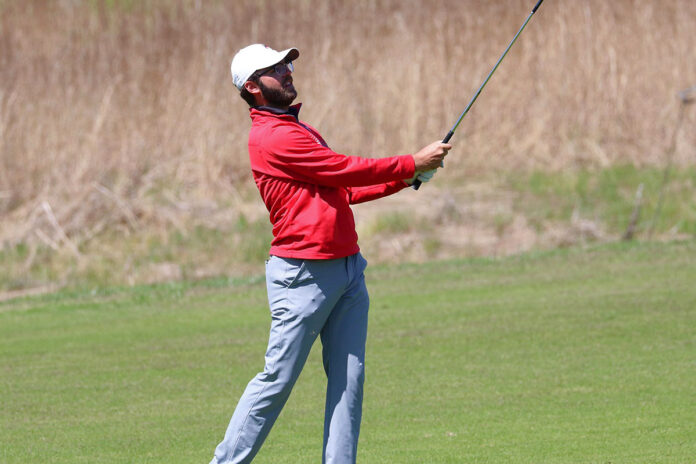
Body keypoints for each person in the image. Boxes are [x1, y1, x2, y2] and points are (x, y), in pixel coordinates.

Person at [210, 44, 451, 464]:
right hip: (303, 276)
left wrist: (409, 177)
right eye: (274, 69)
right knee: (277, 381)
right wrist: (409, 161)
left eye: (286, 64)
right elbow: (344, 168)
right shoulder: (272, 136)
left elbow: (344, 189)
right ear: (252, 87)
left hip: (348, 272)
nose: (286, 72)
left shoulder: (298, 128)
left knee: (348, 382)